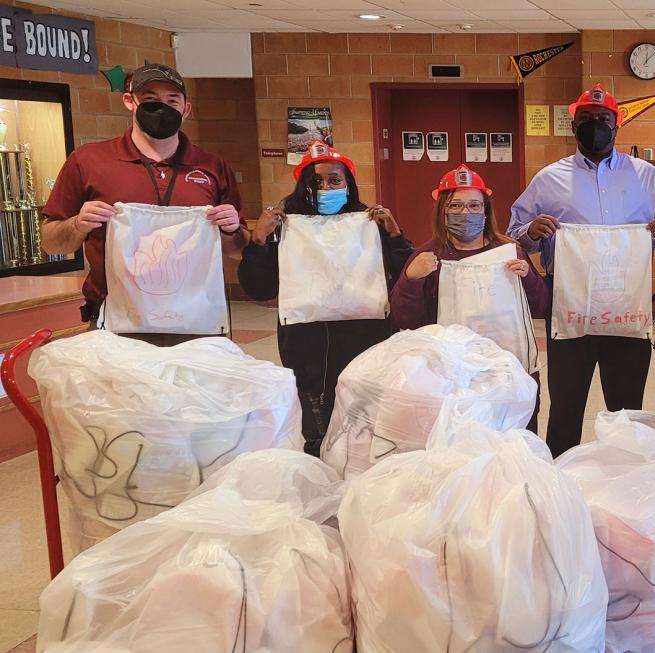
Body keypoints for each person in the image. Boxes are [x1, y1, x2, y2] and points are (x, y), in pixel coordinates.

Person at [507, 84, 655, 455]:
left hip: (627, 308)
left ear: (617, 126)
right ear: (574, 126)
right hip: (570, 308)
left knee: (626, 408)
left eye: (603, 119)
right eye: (586, 119)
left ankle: (624, 473)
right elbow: (514, 234)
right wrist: (531, 232)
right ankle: (561, 480)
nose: (595, 126)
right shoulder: (548, 178)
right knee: (566, 407)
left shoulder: (646, 176)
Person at [40, 63, 247, 344]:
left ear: (186, 109)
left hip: (198, 325)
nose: (161, 108)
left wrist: (231, 230)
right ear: (130, 101)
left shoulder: (212, 166)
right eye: (150, 99)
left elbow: (237, 250)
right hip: (116, 326)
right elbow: (52, 243)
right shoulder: (89, 161)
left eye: (171, 100)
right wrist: (77, 224)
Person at [238, 141, 413, 456]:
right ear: (302, 185)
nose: (326, 187)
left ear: (348, 184)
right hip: (307, 339)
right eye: (316, 181)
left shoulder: (368, 222)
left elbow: (405, 276)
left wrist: (394, 235)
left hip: (364, 333)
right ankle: (321, 478)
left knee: (366, 414)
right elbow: (259, 289)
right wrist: (260, 239)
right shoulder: (284, 225)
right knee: (317, 419)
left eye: (335, 180)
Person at [389, 164, 548, 431]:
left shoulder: (510, 251)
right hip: (453, 378)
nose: (466, 213)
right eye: (456, 206)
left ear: (486, 211)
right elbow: (406, 322)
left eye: (475, 206)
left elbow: (542, 305)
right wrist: (411, 280)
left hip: (509, 373)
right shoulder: (427, 256)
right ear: (442, 212)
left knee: (516, 444)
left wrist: (528, 279)